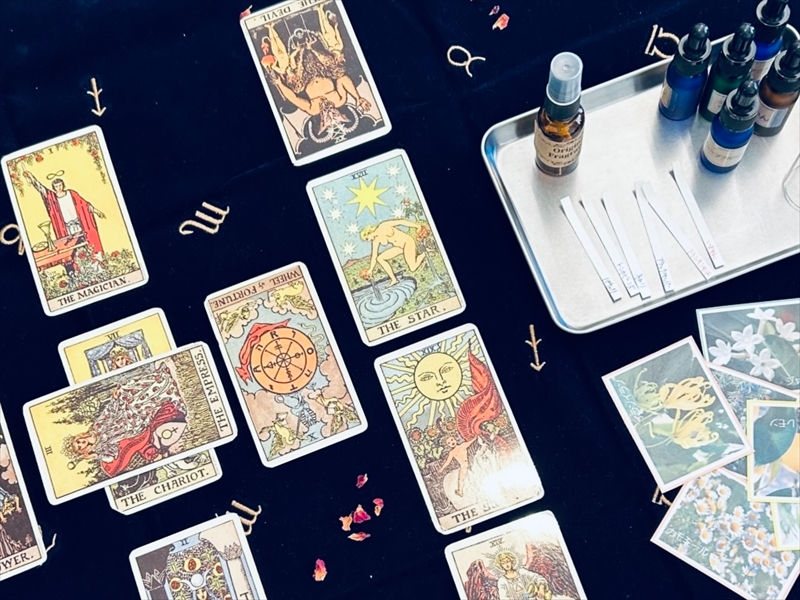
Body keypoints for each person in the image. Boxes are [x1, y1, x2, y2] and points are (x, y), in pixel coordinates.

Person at [64, 362, 188, 477]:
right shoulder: (101, 448)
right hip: (131, 426)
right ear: (83, 451)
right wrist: (96, 455)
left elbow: (109, 413)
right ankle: (166, 389)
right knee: (136, 405)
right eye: (79, 446)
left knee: (124, 391)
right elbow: (112, 456)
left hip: (122, 413)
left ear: (79, 437)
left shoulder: (95, 427)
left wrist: (115, 400)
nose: (81, 443)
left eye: (78, 441)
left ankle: (161, 379)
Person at [22, 169, 105, 256]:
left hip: (80, 225)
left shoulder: (71, 193)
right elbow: (41, 189)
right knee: (74, 249)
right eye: (56, 186)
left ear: (63, 185)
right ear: (54, 187)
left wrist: (96, 211)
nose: (59, 188)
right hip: (67, 229)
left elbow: (84, 204)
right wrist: (32, 178)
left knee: (86, 244)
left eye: (60, 185)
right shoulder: (52, 198)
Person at [361, 219, 428, 285]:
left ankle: (425, 252)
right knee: (380, 258)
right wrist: (370, 270)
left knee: (413, 267)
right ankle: (394, 279)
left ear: (369, 233)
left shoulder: (383, 226)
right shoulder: (375, 240)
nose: (368, 240)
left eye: (367, 238)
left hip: (407, 242)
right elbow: (374, 255)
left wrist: (417, 226)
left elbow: (401, 222)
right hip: (399, 247)